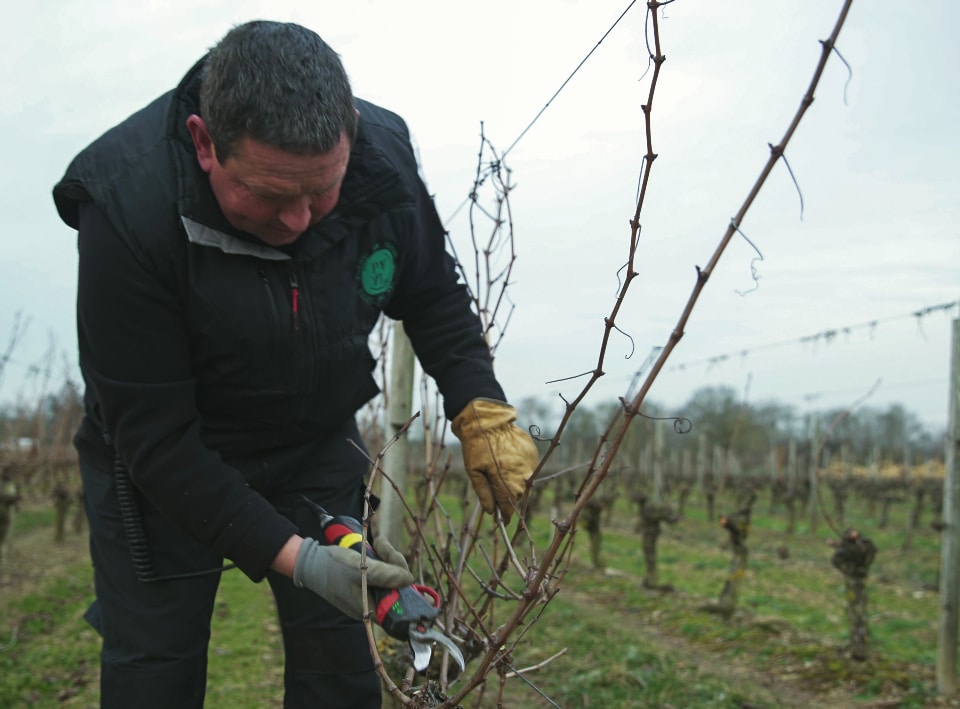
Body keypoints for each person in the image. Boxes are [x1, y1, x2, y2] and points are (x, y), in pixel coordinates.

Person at [52, 20, 539, 709]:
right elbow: (156, 439)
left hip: (314, 446)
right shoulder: (126, 205)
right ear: (203, 143)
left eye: (322, 191)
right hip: (164, 464)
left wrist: (479, 404)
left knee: (341, 665)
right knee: (153, 664)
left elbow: (430, 292)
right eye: (271, 195)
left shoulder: (382, 161)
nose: (299, 220)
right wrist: (300, 559)